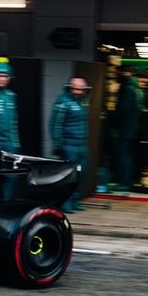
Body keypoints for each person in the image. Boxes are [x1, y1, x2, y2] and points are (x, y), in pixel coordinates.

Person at [50, 76, 89, 212]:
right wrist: (59, 144)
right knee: (68, 177)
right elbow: (55, 125)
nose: (78, 91)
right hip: (69, 145)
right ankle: (65, 203)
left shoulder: (83, 101)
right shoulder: (63, 101)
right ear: (70, 87)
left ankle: (75, 201)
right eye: (75, 88)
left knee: (81, 174)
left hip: (81, 145)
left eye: (81, 89)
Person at [110, 66, 142, 191]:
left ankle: (125, 183)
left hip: (125, 128)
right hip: (133, 127)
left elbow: (122, 109)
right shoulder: (136, 89)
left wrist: (112, 119)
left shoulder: (127, 89)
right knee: (128, 154)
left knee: (123, 155)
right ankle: (127, 181)